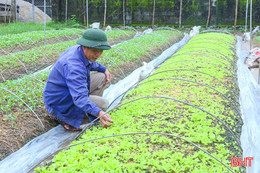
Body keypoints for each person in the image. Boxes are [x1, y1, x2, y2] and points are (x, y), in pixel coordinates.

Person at [43, 28, 114, 131]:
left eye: (101, 51)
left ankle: (86, 111)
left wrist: (104, 69)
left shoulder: (78, 50)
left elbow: (91, 63)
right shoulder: (74, 66)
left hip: (68, 91)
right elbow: (80, 98)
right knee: (103, 104)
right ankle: (70, 119)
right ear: (85, 46)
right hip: (60, 101)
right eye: (95, 50)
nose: (98, 54)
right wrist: (99, 113)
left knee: (102, 77)